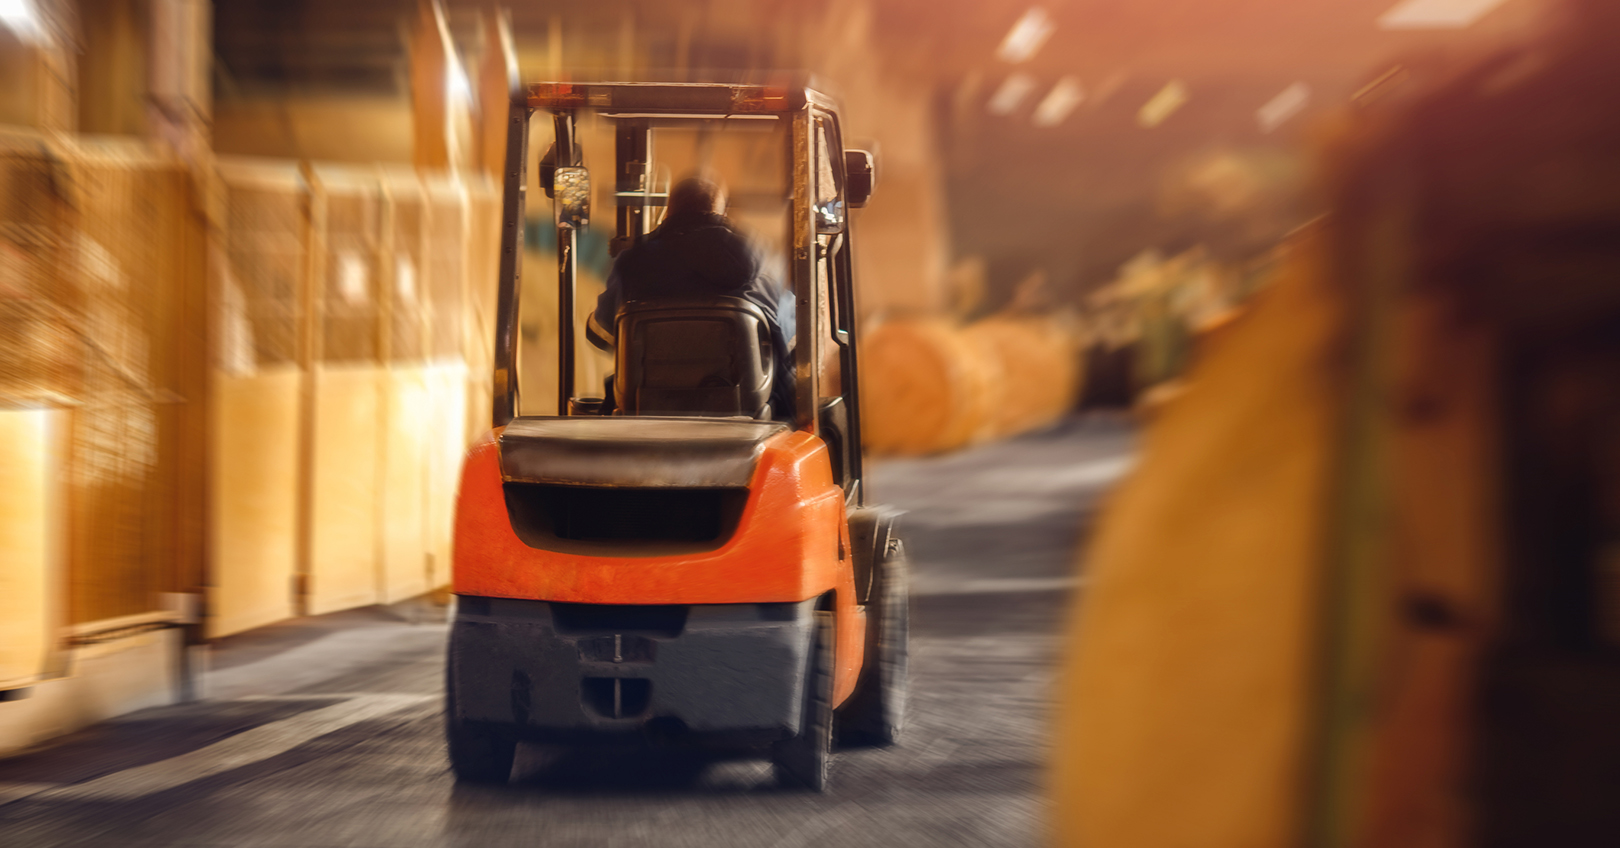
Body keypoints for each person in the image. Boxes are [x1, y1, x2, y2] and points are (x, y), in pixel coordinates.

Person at [587, 175, 796, 420]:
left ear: (667, 213)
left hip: (646, 418)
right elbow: (791, 336)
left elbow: (599, 333)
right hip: (748, 418)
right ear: (723, 213)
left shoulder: (632, 261)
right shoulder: (764, 260)